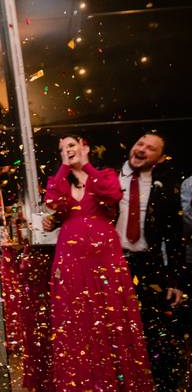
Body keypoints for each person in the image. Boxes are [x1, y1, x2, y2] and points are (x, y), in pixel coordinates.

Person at [43, 135, 153, 391]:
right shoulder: (60, 180)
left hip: (104, 257)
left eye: (71, 145)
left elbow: (111, 194)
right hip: (71, 257)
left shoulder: (105, 175)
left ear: (85, 147)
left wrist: (86, 166)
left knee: (109, 313)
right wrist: (64, 167)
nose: (67, 150)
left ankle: (117, 381)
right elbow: (52, 202)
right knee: (77, 316)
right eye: (62, 149)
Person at [116, 132, 186, 391]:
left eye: (151, 148)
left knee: (152, 330)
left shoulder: (164, 185)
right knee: (114, 326)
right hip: (112, 264)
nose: (143, 149)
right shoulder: (109, 178)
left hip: (147, 265)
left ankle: (157, 384)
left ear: (160, 158)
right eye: (140, 144)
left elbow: (175, 236)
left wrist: (175, 280)